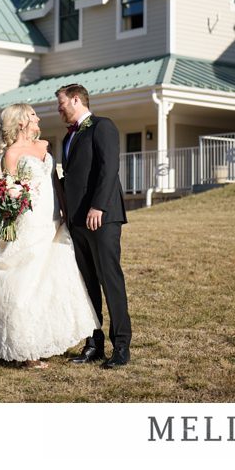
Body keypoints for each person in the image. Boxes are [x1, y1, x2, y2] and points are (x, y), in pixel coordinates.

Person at [0, 104, 99, 369]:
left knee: (52, 281)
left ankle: (44, 338)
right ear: (21, 122)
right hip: (28, 222)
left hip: (52, 218)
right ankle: (27, 350)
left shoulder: (45, 146)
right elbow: (8, 188)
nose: (38, 117)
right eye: (33, 114)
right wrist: (9, 206)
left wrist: (65, 209)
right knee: (27, 283)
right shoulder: (11, 154)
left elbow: (55, 180)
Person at [56, 84, 132, 370]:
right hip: (77, 221)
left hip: (103, 217)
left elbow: (108, 168)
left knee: (110, 280)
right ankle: (94, 344)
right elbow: (71, 177)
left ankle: (121, 346)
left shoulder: (103, 126)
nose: (58, 109)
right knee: (86, 285)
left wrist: (98, 206)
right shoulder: (69, 136)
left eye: (61, 103)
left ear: (76, 100)